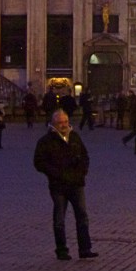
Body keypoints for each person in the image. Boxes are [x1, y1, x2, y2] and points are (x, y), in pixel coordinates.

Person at [33, 109, 98, 261]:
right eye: (60, 122)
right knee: (59, 219)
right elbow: (39, 162)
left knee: (82, 216)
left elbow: (85, 156)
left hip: (77, 183)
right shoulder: (46, 141)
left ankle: (85, 248)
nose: (63, 125)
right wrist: (55, 173)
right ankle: (61, 250)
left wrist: (82, 171)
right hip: (58, 185)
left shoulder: (74, 137)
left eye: (65, 122)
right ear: (53, 123)